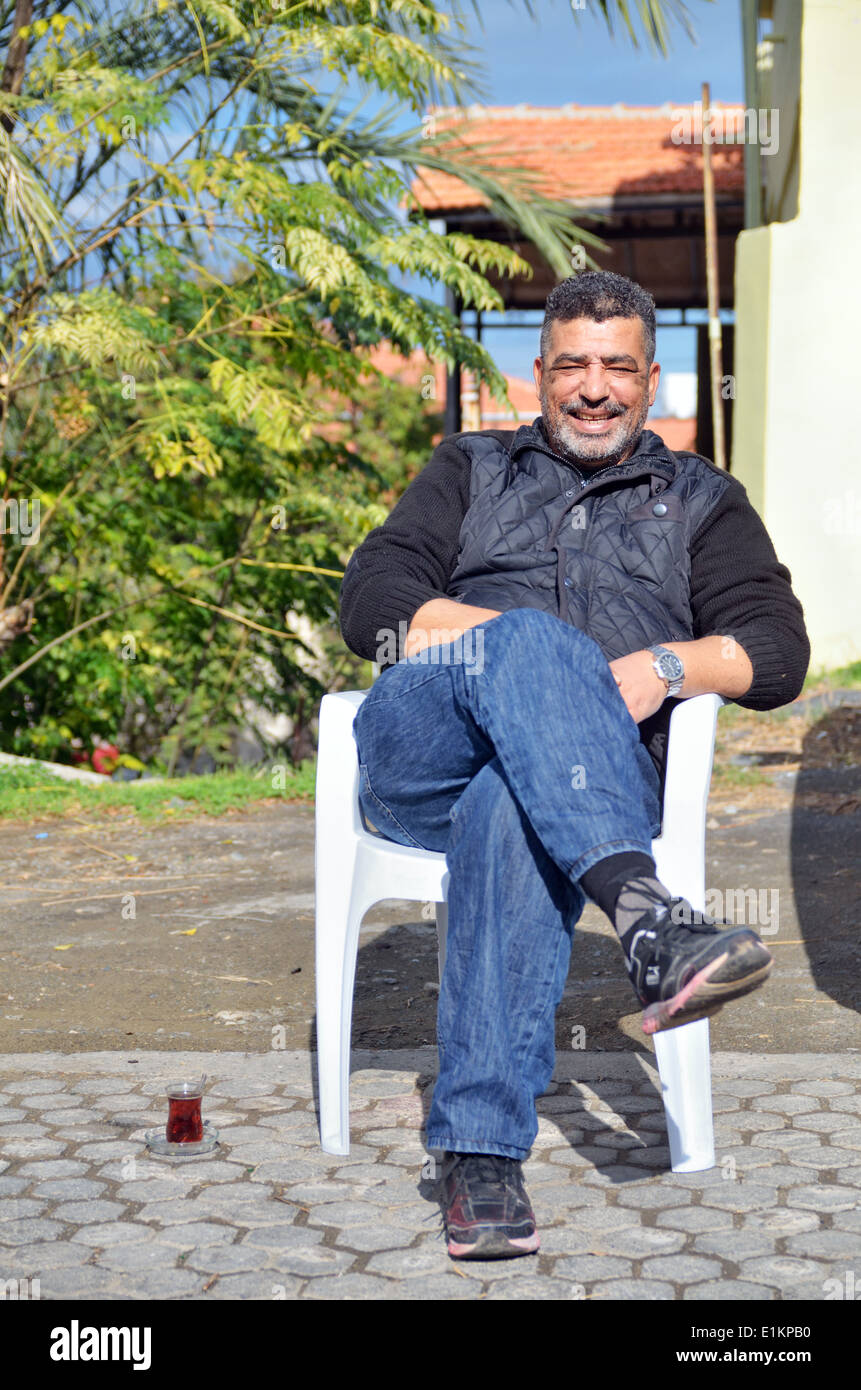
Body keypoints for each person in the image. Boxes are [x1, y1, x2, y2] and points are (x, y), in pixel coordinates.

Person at [338, 271, 810, 1261]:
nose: (594, 387)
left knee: (509, 803)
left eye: (618, 367)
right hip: (424, 742)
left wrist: (664, 666)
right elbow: (374, 602)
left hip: (578, 784)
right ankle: (649, 917)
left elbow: (776, 651)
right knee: (534, 645)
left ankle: (479, 1156)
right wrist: (533, 655)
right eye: (572, 366)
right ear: (541, 373)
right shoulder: (467, 466)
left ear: (650, 381)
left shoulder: (702, 501)